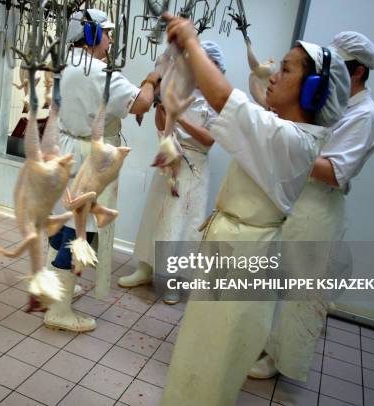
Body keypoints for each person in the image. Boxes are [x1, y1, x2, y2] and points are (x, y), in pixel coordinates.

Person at [159, 14, 350, 406]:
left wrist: (192, 42)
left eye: (285, 68)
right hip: (236, 249)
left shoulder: (292, 140)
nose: (273, 75)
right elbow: (235, 108)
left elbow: (223, 100)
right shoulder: (281, 130)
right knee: (199, 358)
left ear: (313, 91)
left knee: (210, 368)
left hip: (244, 259)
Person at [249, 31, 374, 380]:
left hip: (318, 207)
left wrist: (291, 143)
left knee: (300, 291)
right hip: (296, 199)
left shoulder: (365, 115)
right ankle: (262, 342)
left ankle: (279, 359)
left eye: (343, 67)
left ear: (358, 73)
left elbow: (335, 172)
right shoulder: (331, 101)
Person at [44, 9, 158, 332]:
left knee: (61, 221)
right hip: (83, 155)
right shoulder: (97, 71)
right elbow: (142, 103)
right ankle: (59, 310)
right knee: (77, 232)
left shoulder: (64, 60)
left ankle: (57, 289)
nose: (110, 40)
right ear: (92, 35)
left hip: (61, 147)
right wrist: (152, 79)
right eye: (106, 33)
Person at [118, 40, 226, 306]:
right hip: (170, 156)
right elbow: (161, 123)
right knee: (156, 215)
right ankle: (145, 267)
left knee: (183, 223)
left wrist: (180, 117)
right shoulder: (179, 87)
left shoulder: (217, 101)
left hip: (195, 165)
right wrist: (164, 112)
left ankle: (174, 281)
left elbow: (209, 140)